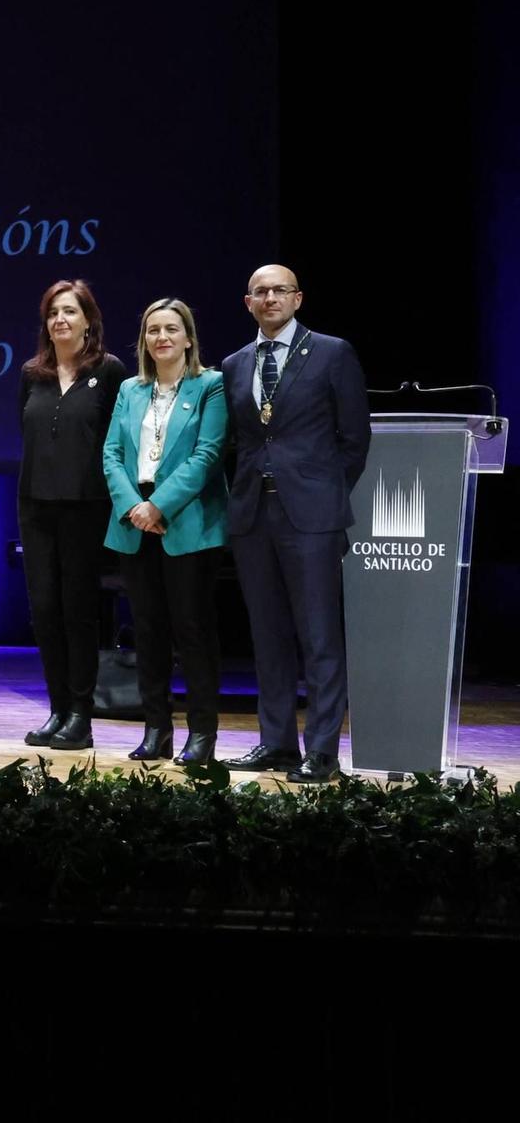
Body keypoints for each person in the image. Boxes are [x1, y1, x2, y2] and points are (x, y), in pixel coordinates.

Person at [220, 264, 370, 782]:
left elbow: (354, 440)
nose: (269, 298)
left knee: (319, 636)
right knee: (268, 635)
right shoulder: (235, 364)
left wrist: (322, 495)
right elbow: (238, 441)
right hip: (252, 514)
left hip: (311, 517)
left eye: (279, 290)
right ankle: (277, 743)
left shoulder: (332, 353)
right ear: (248, 302)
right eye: (259, 292)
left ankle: (322, 751)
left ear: (298, 298)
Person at [101, 298, 229, 765]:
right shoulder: (131, 390)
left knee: (192, 631)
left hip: (187, 522)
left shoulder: (210, 385)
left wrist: (159, 505)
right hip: (136, 522)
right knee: (149, 631)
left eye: (171, 329)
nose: (161, 338)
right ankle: (157, 729)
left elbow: (208, 455)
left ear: (188, 337)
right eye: (153, 330)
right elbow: (112, 453)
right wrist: (135, 506)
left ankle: (202, 735)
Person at [15, 280, 127, 751]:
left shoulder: (110, 370)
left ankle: (82, 713)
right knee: (44, 612)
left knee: (78, 612)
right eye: (53, 313)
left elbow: (117, 441)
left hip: (87, 509)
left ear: (88, 320)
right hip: (36, 508)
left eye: (69, 312)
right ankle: (58, 707)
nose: (60, 320)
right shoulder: (32, 373)